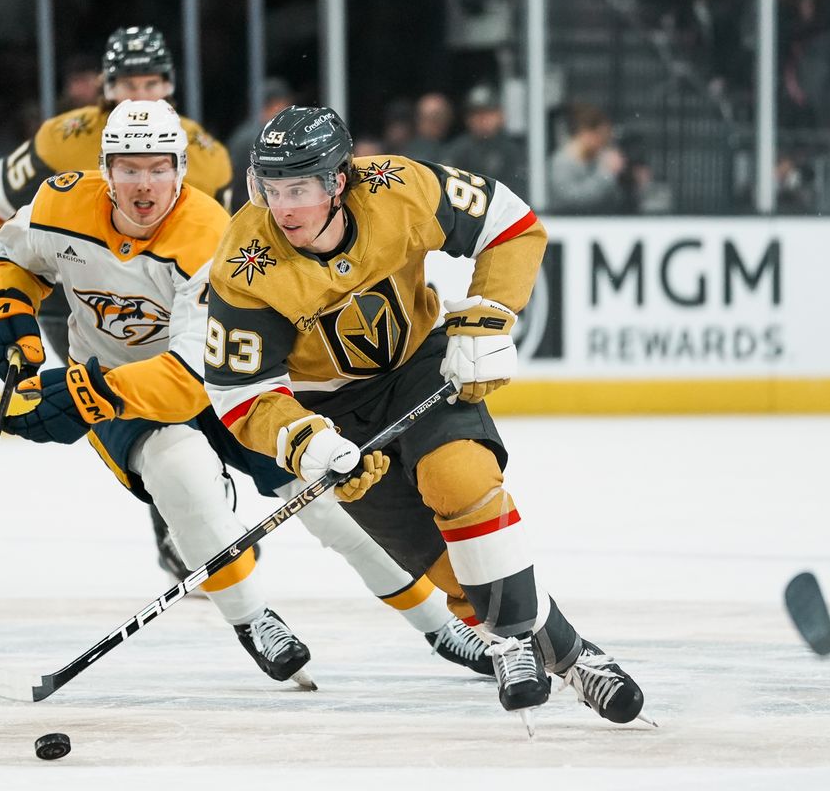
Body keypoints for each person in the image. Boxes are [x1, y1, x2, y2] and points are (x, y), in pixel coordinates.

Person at [0, 99, 496, 686]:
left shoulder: (213, 242)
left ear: (181, 168)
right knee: (180, 471)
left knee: (329, 499)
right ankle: (253, 620)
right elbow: (9, 252)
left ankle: (439, 624)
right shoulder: (59, 203)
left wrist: (86, 395)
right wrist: (7, 307)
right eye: (128, 168)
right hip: (123, 394)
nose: (145, 186)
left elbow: (191, 375)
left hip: (221, 386)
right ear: (103, 168)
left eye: (159, 168)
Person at [203, 105, 651, 729]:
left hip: (420, 368)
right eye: (270, 189)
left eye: (299, 189)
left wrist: (490, 311)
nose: (283, 208)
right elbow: (238, 394)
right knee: (456, 577)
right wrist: (301, 440)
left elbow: (510, 222)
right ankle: (571, 657)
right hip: (331, 416)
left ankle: (517, 643)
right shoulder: (244, 264)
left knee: (459, 481)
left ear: (338, 181)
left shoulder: (398, 187)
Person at [0, 25, 234, 584]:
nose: (140, 95)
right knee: (115, 400)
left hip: (169, 299)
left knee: (186, 391)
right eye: (128, 83)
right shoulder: (62, 137)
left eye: (152, 82)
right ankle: (175, 517)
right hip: (79, 290)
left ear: (170, 85)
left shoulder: (203, 154)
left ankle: (200, 498)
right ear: (103, 87)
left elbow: (233, 246)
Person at [442, 84, 527, 200]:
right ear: (467, 118)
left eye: (488, 112)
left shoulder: (513, 151)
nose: (482, 119)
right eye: (476, 113)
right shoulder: (457, 151)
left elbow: (520, 191)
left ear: (500, 115)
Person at [226, 77, 296, 211]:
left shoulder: (244, 134)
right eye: (287, 105)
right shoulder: (263, 138)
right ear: (277, 104)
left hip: (243, 210)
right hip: (256, 210)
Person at [547, 102, 626, 214]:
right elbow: (570, 200)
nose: (603, 143)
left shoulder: (596, 159)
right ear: (587, 133)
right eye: (601, 137)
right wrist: (606, 173)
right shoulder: (562, 163)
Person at [404, 92, 454, 165]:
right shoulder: (408, 153)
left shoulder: (459, 148)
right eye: (430, 117)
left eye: (440, 116)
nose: (436, 121)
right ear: (418, 119)